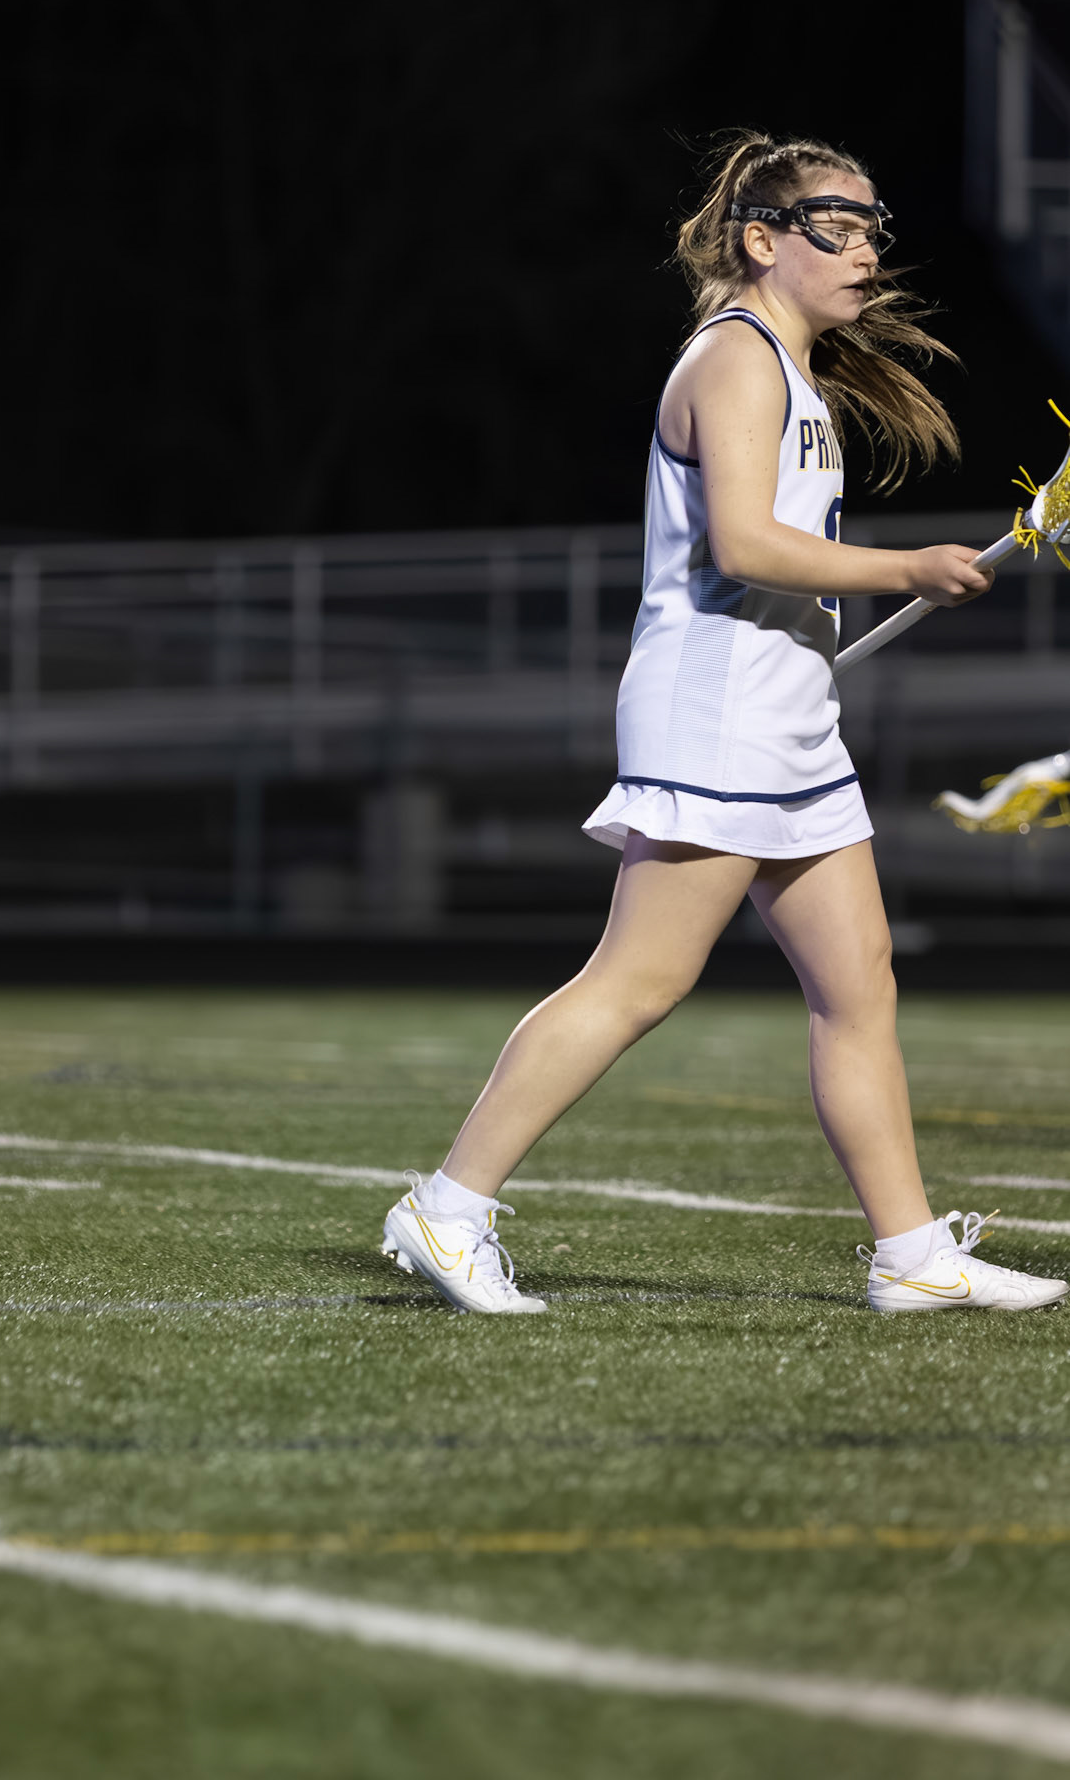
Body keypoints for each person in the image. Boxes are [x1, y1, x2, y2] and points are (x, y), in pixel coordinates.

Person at [381, 132, 1068, 1318]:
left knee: (859, 985)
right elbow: (745, 545)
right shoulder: (735, 358)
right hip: (716, 715)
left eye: (872, 229)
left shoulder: (797, 374)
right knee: (639, 978)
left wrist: (892, 577)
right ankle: (447, 1205)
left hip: (789, 720)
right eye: (835, 228)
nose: (865, 252)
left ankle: (910, 1252)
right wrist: (905, 567)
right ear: (761, 239)